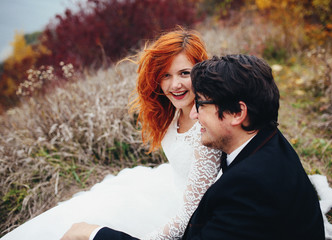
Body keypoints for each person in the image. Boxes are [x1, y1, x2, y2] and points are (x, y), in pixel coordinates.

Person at [69, 54, 331, 240]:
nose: (194, 115)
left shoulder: (246, 189)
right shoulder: (266, 137)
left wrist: (94, 234)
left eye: (201, 104)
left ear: (237, 113)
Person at [1, 28, 222, 240]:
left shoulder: (208, 127)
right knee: (83, 212)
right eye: (166, 75)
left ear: (201, 71)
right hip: (169, 192)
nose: (175, 84)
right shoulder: (173, 111)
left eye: (184, 73)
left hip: (191, 216)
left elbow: (190, 217)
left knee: (96, 225)